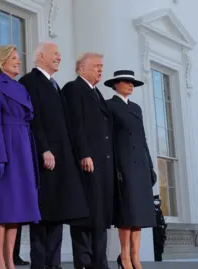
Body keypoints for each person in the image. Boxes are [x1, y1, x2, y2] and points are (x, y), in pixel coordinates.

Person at [19, 42, 89, 269]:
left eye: (60, 54)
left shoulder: (55, 85)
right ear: (40, 56)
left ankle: (55, 265)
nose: (60, 57)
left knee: (58, 213)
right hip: (44, 158)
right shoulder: (29, 82)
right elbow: (33, 118)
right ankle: (40, 265)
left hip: (62, 160)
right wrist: (43, 148)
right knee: (42, 215)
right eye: (55, 54)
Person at [0, 45, 41, 269]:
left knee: (16, 208)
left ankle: (9, 261)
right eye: (13, 58)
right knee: (1, 207)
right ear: (1, 61)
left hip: (22, 147)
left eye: (18, 58)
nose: (18, 61)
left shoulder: (20, 88)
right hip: (5, 148)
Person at [62, 52, 115, 269]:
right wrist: (84, 153)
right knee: (85, 216)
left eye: (101, 66)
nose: (100, 70)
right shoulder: (73, 89)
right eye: (95, 66)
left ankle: (100, 263)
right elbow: (75, 124)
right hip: (86, 163)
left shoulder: (97, 93)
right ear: (81, 68)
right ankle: (84, 263)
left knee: (100, 217)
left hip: (103, 164)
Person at [105, 70, 157, 269]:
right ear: (116, 84)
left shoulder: (136, 108)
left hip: (141, 165)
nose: (130, 85)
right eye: (127, 82)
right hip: (123, 164)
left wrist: (150, 166)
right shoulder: (110, 106)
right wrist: (113, 166)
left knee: (139, 215)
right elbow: (108, 139)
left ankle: (136, 257)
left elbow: (143, 139)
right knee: (127, 214)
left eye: (132, 83)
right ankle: (124, 257)